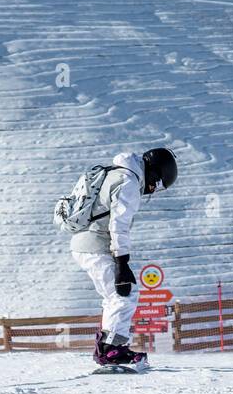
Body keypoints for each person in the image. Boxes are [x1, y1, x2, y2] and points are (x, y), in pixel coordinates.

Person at [69, 147, 178, 368]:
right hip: (95, 244)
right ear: (154, 172)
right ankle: (111, 351)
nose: (152, 190)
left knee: (114, 297)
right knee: (123, 296)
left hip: (88, 244)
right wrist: (122, 262)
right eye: (156, 184)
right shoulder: (128, 183)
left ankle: (108, 348)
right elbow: (119, 225)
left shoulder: (117, 173)